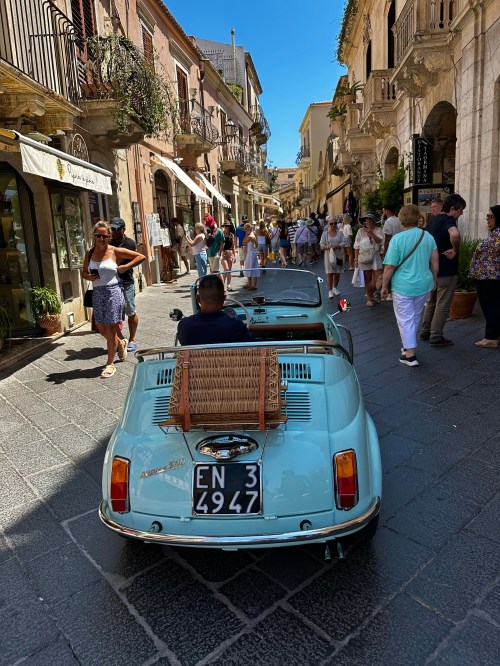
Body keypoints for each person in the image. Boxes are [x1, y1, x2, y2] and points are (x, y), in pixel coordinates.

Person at [83, 221, 145, 378]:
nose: (101, 239)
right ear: (94, 236)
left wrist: (126, 267)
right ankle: (121, 342)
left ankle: (110, 364)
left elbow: (140, 256)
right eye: (98, 236)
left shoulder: (114, 251)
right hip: (97, 293)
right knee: (101, 328)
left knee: (110, 330)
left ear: (109, 236)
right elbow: (83, 272)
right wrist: (88, 276)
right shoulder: (89, 252)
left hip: (113, 292)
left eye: (105, 236)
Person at [381, 204, 438, 367]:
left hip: (403, 285)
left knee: (405, 319)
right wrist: (434, 279)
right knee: (414, 317)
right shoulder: (427, 236)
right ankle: (407, 348)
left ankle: (410, 355)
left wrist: (384, 286)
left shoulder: (397, 239)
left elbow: (390, 266)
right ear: (418, 217)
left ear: (401, 219)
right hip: (423, 283)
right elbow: (435, 261)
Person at [420, 193, 465, 346]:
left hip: (432, 269)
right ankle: (436, 336)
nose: (461, 214)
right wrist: (455, 249)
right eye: (460, 210)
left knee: (431, 301)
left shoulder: (433, 220)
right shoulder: (448, 220)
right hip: (446, 269)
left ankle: (425, 331)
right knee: (443, 304)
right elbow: (455, 234)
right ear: (452, 209)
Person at [177, 274, 251, 345]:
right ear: (224, 299)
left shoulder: (184, 326)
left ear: (198, 298)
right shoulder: (237, 326)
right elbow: (250, 349)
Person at [468, 205, 500, 348]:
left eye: (491, 216)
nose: (488, 219)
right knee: (493, 305)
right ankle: (495, 334)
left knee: (491, 306)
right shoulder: (494, 234)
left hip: (489, 277)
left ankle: (491, 337)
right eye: (487, 216)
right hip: (488, 276)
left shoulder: (498, 235)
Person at [109, 217, 141, 352]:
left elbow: (117, 260)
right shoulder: (108, 242)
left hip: (126, 282)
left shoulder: (129, 243)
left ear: (124, 229)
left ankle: (132, 339)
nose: (115, 232)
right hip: (111, 282)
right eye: (113, 229)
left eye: (117, 229)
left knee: (130, 311)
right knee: (113, 314)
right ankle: (122, 339)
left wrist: (126, 266)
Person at [353, 212, 384, 306]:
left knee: (379, 279)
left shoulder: (378, 230)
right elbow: (356, 246)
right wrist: (356, 259)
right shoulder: (360, 231)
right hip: (364, 256)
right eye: (366, 219)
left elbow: (380, 241)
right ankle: (369, 299)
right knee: (367, 279)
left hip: (375, 256)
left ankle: (371, 293)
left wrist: (371, 234)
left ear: (374, 221)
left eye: (370, 219)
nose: (368, 221)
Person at [320, 218, 347, 297]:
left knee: (337, 273)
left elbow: (344, 242)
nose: (333, 225)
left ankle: (335, 288)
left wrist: (338, 246)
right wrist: (327, 247)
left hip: (338, 255)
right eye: (331, 223)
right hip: (328, 256)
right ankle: (330, 290)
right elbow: (321, 244)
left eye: (335, 223)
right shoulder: (325, 234)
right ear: (328, 224)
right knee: (329, 273)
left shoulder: (340, 233)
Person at [242, 222, 260, 289]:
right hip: (251, 253)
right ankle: (250, 284)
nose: (245, 230)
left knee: (251, 268)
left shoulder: (250, 236)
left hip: (251, 254)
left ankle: (252, 285)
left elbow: (243, 243)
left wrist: (246, 236)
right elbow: (256, 244)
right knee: (251, 267)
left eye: (245, 229)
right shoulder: (253, 235)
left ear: (249, 229)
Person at [220, 222, 236, 291]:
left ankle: (228, 285)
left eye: (228, 226)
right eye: (225, 226)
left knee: (229, 270)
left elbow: (233, 246)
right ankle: (222, 284)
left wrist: (234, 255)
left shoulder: (231, 235)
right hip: (223, 253)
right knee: (226, 269)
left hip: (230, 253)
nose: (227, 227)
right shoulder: (221, 234)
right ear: (224, 227)